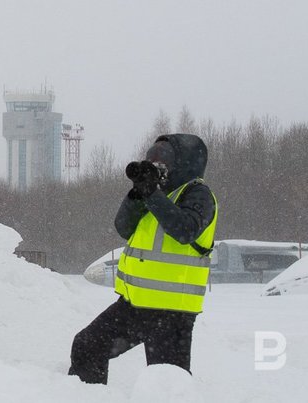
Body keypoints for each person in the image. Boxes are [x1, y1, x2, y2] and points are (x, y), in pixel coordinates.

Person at [68, 133, 218, 384]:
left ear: (183, 163)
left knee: (166, 384)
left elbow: (184, 230)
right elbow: (123, 227)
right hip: (135, 305)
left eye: (165, 161)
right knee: (87, 346)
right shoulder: (157, 196)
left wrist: (152, 195)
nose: (159, 167)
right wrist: (138, 194)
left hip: (172, 312)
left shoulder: (198, 194)